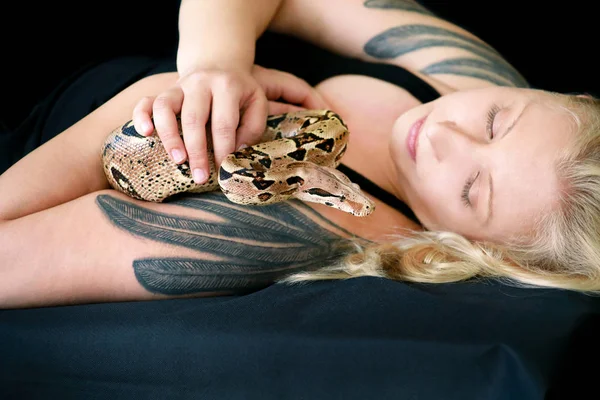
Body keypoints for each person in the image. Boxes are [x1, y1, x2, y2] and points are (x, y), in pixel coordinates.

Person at [1, 0, 599, 310]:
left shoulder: (306, 227)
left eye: (473, 189)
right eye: (497, 121)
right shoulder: (477, 82)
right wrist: (216, 63)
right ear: (555, 96)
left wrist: (171, 103)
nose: (445, 135)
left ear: (493, 256)